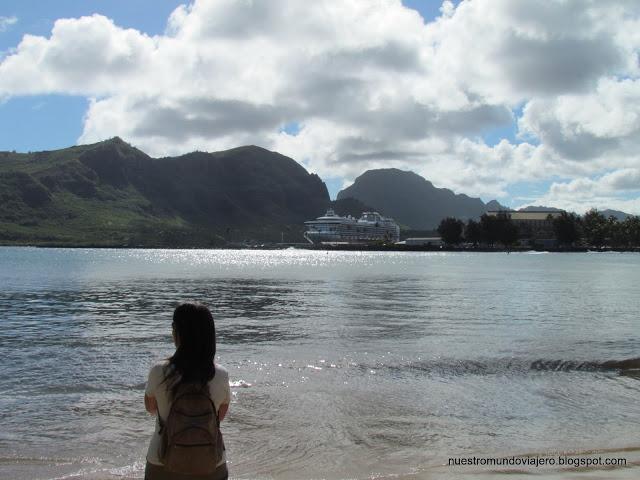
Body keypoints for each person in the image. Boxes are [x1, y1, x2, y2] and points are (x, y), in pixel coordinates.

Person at [144, 303, 231, 480]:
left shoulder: (159, 371)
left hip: (162, 462)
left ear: (177, 333)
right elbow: (219, 416)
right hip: (210, 464)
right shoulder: (221, 374)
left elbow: (151, 409)